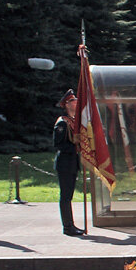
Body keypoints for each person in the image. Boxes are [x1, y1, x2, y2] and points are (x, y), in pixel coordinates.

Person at [53, 89, 84, 237]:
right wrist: (76, 147)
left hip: (72, 163)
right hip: (65, 163)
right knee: (65, 196)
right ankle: (67, 226)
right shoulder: (62, 122)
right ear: (66, 104)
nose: (76, 102)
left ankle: (71, 225)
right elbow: (59, 144)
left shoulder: (73, 121)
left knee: (69, 195)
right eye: (73, 101)